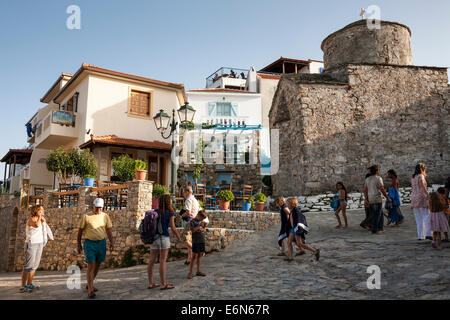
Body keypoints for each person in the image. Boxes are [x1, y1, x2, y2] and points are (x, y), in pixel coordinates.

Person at [77, 198, 114, 299]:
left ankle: (90, 283)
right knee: (91, 265)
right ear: (93, 206)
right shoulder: (86, 216)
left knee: (98, 265)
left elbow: (109, 230)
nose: (98, 209)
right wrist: (78, 244)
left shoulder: (105, 216)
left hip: (101, 243)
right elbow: (80, 231)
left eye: (100, 208)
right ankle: (90, 290)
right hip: (90, 244)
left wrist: (112, 242)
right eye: (96, 207)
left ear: (103, 207)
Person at [147, 194, 182, 290]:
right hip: (164, 238)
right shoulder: (170, 212)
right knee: (162, 261)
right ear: (168, 202)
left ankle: (150, 283)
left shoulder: (155, 212)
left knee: (151, 261)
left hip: (154, 238)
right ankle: (163, 284)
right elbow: (173, 227)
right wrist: (179, 237)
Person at [20, 205, 47, 293]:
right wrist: (39, 218)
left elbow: (43, 229)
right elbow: (36, 225)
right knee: (28, 266)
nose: (43, 211)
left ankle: (30, 283)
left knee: (34, 265)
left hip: (39, 243)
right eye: (41, 210)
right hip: (31, 244)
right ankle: (23, 286)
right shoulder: (31, 220)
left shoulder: (41, 220)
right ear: (36, 211)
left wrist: (43, 221)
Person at [180, 186, 208, 264]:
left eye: (183, 192)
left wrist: (182, 216)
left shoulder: (188, 200)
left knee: (184, 239)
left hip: (190, 222)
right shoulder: (195, 200)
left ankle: (200, 251)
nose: (183, 194)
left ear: (187, 192)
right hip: (196, 222)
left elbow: (188, 212)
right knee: (189, 239)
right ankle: (189, 258)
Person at [364, 165, 392, 235]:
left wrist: (366, 199)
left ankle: (380, 229)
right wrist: (387, 197)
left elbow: (365, 190)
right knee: (377, 215)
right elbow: (382, 189)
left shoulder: (367, 179)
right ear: (377, 171)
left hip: (370, 199)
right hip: (377, 199)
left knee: (379, 214)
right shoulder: (378, 178)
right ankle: (374, 230)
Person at [411, 163, 432, 241]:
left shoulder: (413, 177)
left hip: (414, 198)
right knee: (426, 216)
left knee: (418, 218)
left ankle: (420, 236)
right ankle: (428, 234)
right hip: (422, 197)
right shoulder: (421, 176)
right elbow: (423, 187)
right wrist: (428, 196)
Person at [188, 210, 208, 279]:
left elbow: (202, 230)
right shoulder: (192, 221)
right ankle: (190, 272)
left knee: (200, 255)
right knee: (194, 257)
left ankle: (198, 271)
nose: (202, 220)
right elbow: (193, 231)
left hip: (201, 240)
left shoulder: (201, 222)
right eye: (201, 218)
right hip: (196, 241)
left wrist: (204, 226)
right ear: (198, 215)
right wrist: (199, 225)